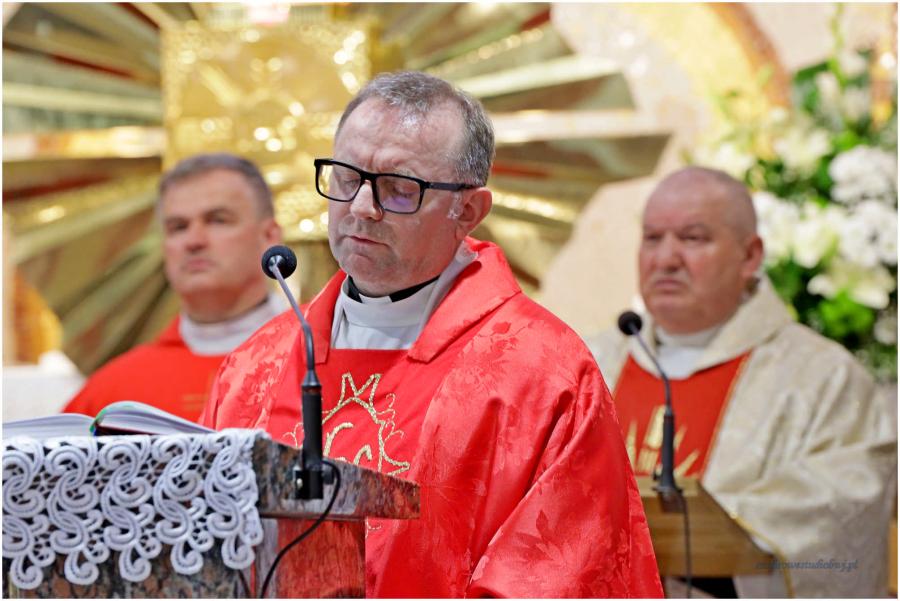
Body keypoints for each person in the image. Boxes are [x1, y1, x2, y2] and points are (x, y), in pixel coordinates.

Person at [199, 71, 663, 597]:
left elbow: (564, 578)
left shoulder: (543, 376)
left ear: (468, 210)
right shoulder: (255, 366)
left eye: (399, 189)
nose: (361, 208)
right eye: (346, 178)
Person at [588, 166, 897, 597]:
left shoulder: (824, 378)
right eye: (653, 238)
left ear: (750, 256)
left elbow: (844, 511)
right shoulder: (590, 362)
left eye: (693, 238)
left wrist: (704, 533)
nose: (666, 259)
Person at [63, 154, 283, 422]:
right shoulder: (112, 395)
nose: (194, 241)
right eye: (178, 227)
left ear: (269, 236)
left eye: (217, 220)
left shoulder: (318, 358)